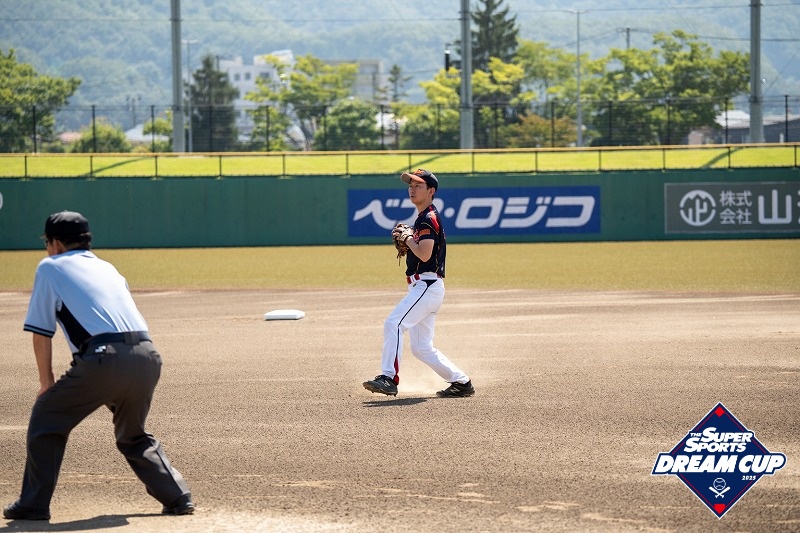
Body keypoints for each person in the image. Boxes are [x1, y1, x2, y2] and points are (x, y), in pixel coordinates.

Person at [3, 211, 193, 521]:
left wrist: (46, 382)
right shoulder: (108, 267)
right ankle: (178, 496)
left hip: (105, 358)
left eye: (46, 242)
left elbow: (41, 332)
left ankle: (33, 504)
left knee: (46, 417)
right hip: (147, 356)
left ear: (56, 243)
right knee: (133, 434)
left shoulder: (50, 267)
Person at [363, 169, 474, 398]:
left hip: (426, 286)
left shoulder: (427, 218)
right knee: (422, 348)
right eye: (410, 185)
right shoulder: (424, 217)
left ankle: (388, 378)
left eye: (418, 186)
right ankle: (461, 382)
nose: (412, 189)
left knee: (393, 324)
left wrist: (408, 238)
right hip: (426, 287)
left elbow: (424, 254)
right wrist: (412, 237)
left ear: (431, 191)